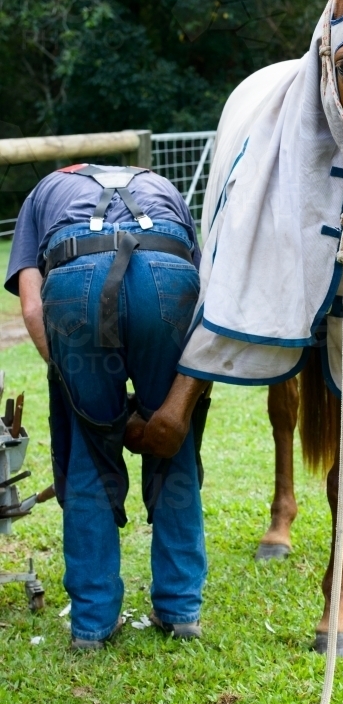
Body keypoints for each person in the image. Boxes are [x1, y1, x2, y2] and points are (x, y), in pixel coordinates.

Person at [4, 162, 209, 649]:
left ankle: (93, 624)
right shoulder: (162, 185)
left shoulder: (42, 193)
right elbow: (204, 294)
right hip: (167, 271)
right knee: (171, 439)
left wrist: (79, 387)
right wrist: (169, 408)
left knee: (87, 451)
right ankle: (180, 610)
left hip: (77, 278)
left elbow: (32, 308)